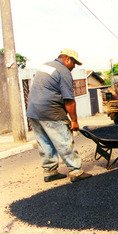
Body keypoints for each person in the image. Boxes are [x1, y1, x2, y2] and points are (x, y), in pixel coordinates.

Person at [26, 49, 92, 183]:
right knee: (64, 139)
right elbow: (69, 100)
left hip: (33, 111)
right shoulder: (63, 72)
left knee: (44, 142)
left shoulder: (46, 65)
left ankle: (50, 171)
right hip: (51, 110)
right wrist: (74, 121)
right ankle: (75, 171)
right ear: (68, 59)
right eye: (74, 63)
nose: (74, 67)